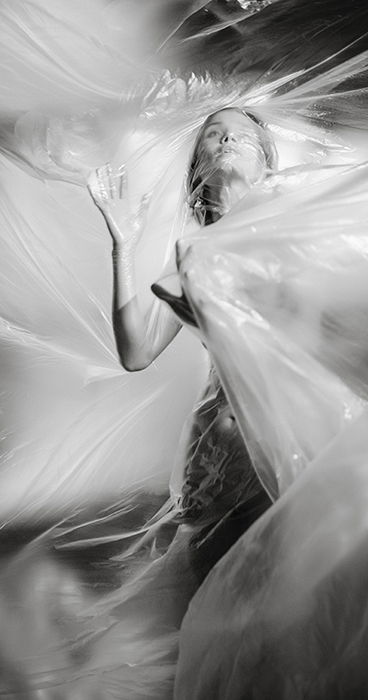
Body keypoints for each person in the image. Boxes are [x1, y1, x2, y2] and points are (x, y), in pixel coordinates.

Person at [88, 106, 277, 577]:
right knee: (216, 601)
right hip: (218, 457)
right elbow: (136, 353)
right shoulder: (193, 258)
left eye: (241, 135)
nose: (227, 141)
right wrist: (123, 247)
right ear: (198, 168)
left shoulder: (300, 232)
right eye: (214, 135)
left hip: (287, 443)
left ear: (268, 163)